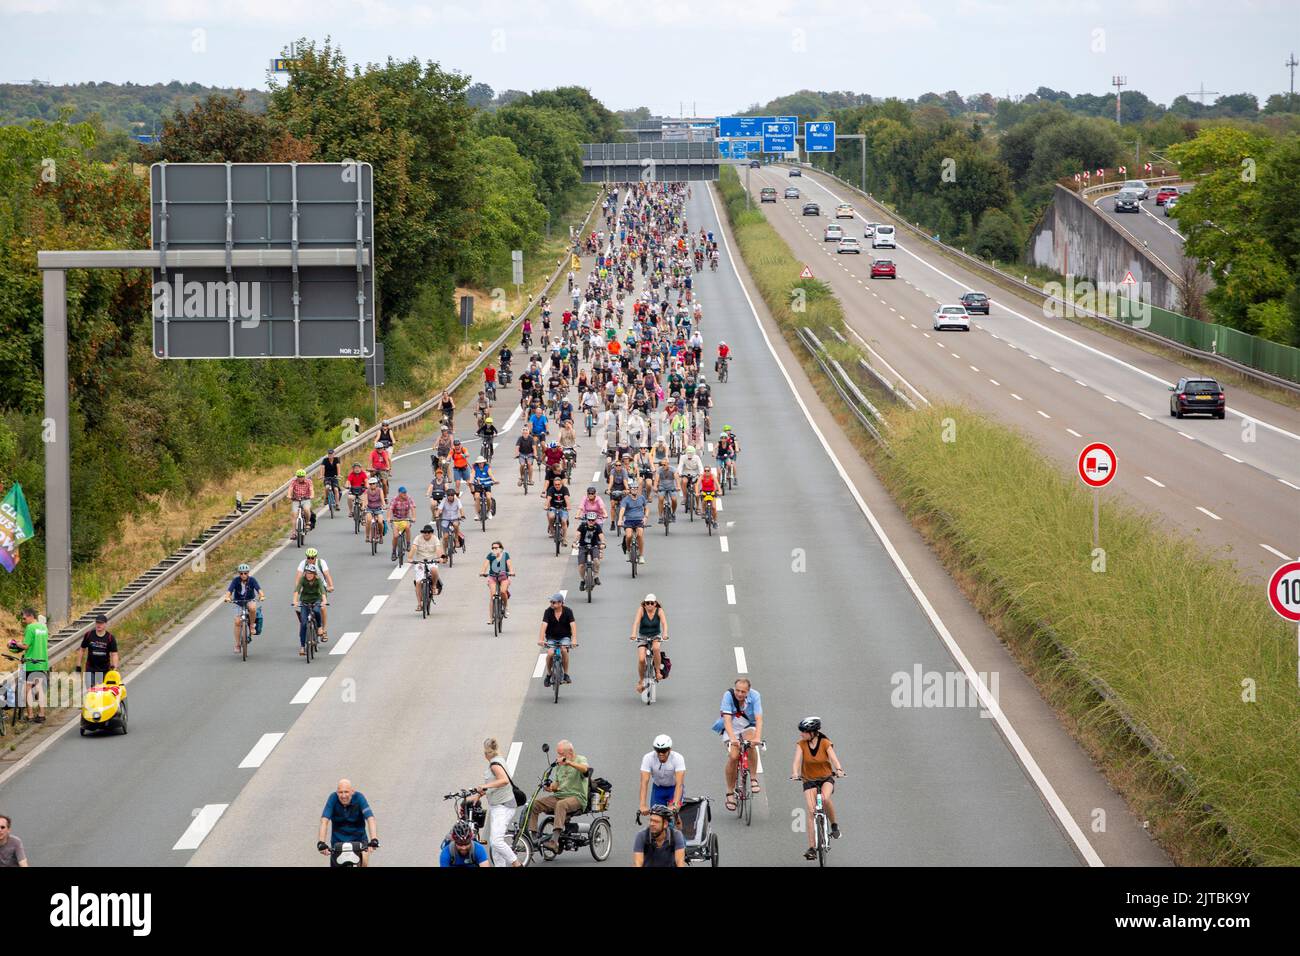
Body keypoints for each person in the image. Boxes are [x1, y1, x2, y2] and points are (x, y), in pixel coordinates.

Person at [792, 717, 846, 860]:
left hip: (825, 778)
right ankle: (812, 848)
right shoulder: (801, 744)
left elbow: (834, 759)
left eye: (804, 731)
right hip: (809, 780)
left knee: (824, 798)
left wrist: (839, 769)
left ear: (813, 732)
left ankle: (834, 825)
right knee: (811, 811)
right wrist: (795, 773)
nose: (801, 734)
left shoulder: (825, 742)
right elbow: (797, 760)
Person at [526, 739, 589, 853]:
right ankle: (534, 838)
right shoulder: (560, 766)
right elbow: (556, 784)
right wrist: (550, 787)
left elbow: (585, 769)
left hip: (577, 797)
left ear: (570, 752)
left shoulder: (580, 759)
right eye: (558, 753)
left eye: (561, 754)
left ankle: (554, 842)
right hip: (560, 795)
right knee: (535, 804)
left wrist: (569, 762)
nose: (558, 756)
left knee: (561, 804)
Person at [470, 737, 522, 866]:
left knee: (496, 841)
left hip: (503, 806)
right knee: (495, 845)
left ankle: (516, 863)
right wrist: (479, 795)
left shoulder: (494, 765)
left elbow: (503, 780)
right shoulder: (499, 760)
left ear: (486, 753)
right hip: (498, 806)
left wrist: (484, 786)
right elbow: (495, 785)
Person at [715, 678, 765, 810]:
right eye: (737, 690)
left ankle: (753, 778)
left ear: (748, 691)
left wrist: (758, 737)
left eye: (743, 691)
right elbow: (726, 721)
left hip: (748, 725)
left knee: (751, 744)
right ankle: (730, 793)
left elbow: (759, 719)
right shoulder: (728, 696)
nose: (739, 694)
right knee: (733, 756)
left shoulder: (755, 696)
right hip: (732, 725)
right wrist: (733, 739)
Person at [317, 778, 378, 867]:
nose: (343, 795)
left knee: (364, 862)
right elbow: (324, 821)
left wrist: (374, 839)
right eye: (340, 792)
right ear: (337, 793)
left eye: (346, 792)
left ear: (352, 791)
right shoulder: (333, 798)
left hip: (359, 840)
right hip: (338, 842)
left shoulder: (359, 798)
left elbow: (370, 818)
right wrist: (321, 842)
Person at [14, 609, 48, 723]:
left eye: (24, 618)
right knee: (40, 689)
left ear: (30, 616)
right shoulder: (43, 627)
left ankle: (30, 716)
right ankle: (42, 714)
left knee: (27, 689)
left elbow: (26, 646)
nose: (23, 621)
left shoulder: (30, 628)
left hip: (31, 663)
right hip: (42, 661)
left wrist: (15, 644)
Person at [537, 592, 577, 687]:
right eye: (551, 602)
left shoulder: (568, 611)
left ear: (560, 603)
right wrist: (541, 639)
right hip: (551, 638)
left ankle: (566, 674)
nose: (551, 604)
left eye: (553, 602)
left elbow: (573, 625)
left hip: (565, 637)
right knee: (550, 653)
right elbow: (544, 625)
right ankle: (549, 674)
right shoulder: (548, 611)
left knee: (564, 650)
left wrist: (574, 639)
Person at [638, 734, 685, 814]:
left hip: (673, 789)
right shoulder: (648, 758)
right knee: (655, 816)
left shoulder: (678, 758)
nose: (660, 753)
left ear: (670, 749)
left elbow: (679, 784)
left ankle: (678, 826)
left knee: (673, 815)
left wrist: (675, 804)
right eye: (657, 750)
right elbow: (644, 783)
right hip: (658, 789)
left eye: (664, 750)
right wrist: (642, 805)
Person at [631, 594, 668, 694]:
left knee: (656, 649)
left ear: (655, 604)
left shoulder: (659, 611)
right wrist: (633, 634)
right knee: (642, 659)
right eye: (647, 603)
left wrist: (665, 634)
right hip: (643, 636)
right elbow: (636, 622)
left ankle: (657, 672)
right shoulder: (641, 610)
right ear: (645, 604)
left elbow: (664, 623)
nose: (650, 605)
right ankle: (642, 680)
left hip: (655, 636)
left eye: (652, 603)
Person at [223, 563, 264, 651]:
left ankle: (252, 625)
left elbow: (259, 589)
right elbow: (229, 590)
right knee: (237, 622)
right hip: (238, 602)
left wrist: (261, 596)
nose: (243, 575)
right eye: (241, 573)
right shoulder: (235, 580)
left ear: (248, 573)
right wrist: (227, 597)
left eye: (245, 573)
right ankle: (237, 645)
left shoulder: (252, 580)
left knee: (253, 608)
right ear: (239, 574)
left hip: (250, 600)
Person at [293, 564, 328, 655]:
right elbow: (297, 591)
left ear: (314, 574)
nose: (309, 575)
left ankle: (319, 627)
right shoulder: (303, 580)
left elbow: (322, 591)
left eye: (311, 573)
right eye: (307, 573)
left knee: (317, 611)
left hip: (316, 600)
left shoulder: (318, 580)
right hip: (305, 601)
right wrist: (295, 601)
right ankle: (302, 647)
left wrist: (324, 600)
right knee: (303, 624)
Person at [78, 614, 119, 691]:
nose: (99, 625)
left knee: (101, 692)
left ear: (105, 624)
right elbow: (82, 649)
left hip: (104, 670)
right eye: (97, 623)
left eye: (101, 623)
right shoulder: (89, 635)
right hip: (90, 669)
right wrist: (78, 665)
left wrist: (115, 667)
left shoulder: (110, 638)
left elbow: (114, 654)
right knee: (90, 691)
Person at [408, 524, 444, 610]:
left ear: (431, 533)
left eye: (428, 532)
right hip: (420, 562)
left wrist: (440, 558)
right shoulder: (418, 538)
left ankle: (434, 586)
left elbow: (438, 549)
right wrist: (410, 558)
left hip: (432, 561)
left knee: (434, 570)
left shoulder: (435, 538)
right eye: (425, 532)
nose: (426, 534)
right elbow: (413, 548)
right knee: (418, 582)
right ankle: (419, 604)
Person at [480, 541, 513, 624]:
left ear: (501, 549)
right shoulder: (490, 555)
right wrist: (482, 572)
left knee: (502, 591)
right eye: (493, 548)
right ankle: (491, 619)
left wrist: (511, 571)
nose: (494, 549)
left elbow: (509, 565)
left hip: (503, 577)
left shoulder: (505, 555)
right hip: (493, 577)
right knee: (492, 596)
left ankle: (505, 607)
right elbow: (485, 564)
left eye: (496, 548)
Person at [619, 484, 650, 566]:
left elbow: (646, 508)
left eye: (636, 488)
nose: (635, 490)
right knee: (628, 536)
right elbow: (622, 510)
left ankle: (641, 555)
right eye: (633, 489)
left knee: (640, 535)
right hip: (629, 521)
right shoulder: (626, 499)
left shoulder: (642, 498)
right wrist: (620, 520)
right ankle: (628, 551)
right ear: (630, 490)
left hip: (639, 520)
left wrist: (645, 517)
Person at [575, 512, 604, 590]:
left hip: (594, 546)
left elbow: (601, 535)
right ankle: (583, 580)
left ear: (595, 520)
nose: (591, 521)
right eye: (589, 520)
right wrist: (574, 542)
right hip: (583, 546)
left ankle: (596, 577)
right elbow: (578, 534)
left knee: (596, 560)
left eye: (593, 520)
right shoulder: (582, 526)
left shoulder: (597, 526)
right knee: (581, 565)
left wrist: (603, 543)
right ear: (587, 520)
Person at [287, 468, 315, 537]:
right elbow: (290, 489)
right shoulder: (294, 481)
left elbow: (311, 489)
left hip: (306, 499)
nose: (300, 478)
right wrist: (289, 495)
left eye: (302, 477)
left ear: (304, 476)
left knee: (306, 509)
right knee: (294, 515)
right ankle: (293, 533)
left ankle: (308, 522)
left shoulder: (309, 481)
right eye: (298, 477)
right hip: (296, 500)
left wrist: (312, 495)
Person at [544, 474, 571, 545]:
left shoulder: (565, 489)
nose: (557, 486)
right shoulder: (551, 489)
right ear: (554, 484)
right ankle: (552, 530)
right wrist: (546, 505)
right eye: (556, 484)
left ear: (561, 484)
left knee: (564, 521)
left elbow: (566, 498)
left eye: (559, 484)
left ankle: (564, 539)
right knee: (551, 516)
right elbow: (548, 498)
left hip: (563, 508)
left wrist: (568, 506)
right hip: (553, 508)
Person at [438, 488, 466, 554]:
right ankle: (444, 553)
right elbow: (439, 509)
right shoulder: (444, 501)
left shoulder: (457, 500)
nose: (450, 496)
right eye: (449, 495)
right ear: (447, 496)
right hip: (445, 520)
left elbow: (461, 509)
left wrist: (462, 515)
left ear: (453, 495)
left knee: (456, 524)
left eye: (451, 495)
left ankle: (456, 539)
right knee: (445, 537)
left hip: (454, 519)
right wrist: (437, 515)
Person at [470, 455, 495, 520]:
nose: (480, 464)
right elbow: (472, 474)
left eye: (481, 462)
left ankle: (489, 511)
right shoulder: (475, 467)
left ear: (484, 462)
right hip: (478, 485)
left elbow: (490, 474)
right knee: (477, 497)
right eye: (479, 463)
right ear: (477, 463)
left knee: (488, 498)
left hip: (487, 484)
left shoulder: (487, 467)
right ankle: (477, 514)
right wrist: (470, 481)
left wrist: (494, 480)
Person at [363, 476, 387, 542]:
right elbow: (365, 500)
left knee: (380, 521)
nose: (372, 485)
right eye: (370, 484)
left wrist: (384, 505)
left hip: (378, 509)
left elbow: (382, 499)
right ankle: (367, 536)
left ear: (376, 484)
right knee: (368, 520)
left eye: (373, 483)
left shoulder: (380, 490)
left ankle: (381, 536)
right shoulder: (366, 491)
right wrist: (363, 506)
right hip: (369, 508)